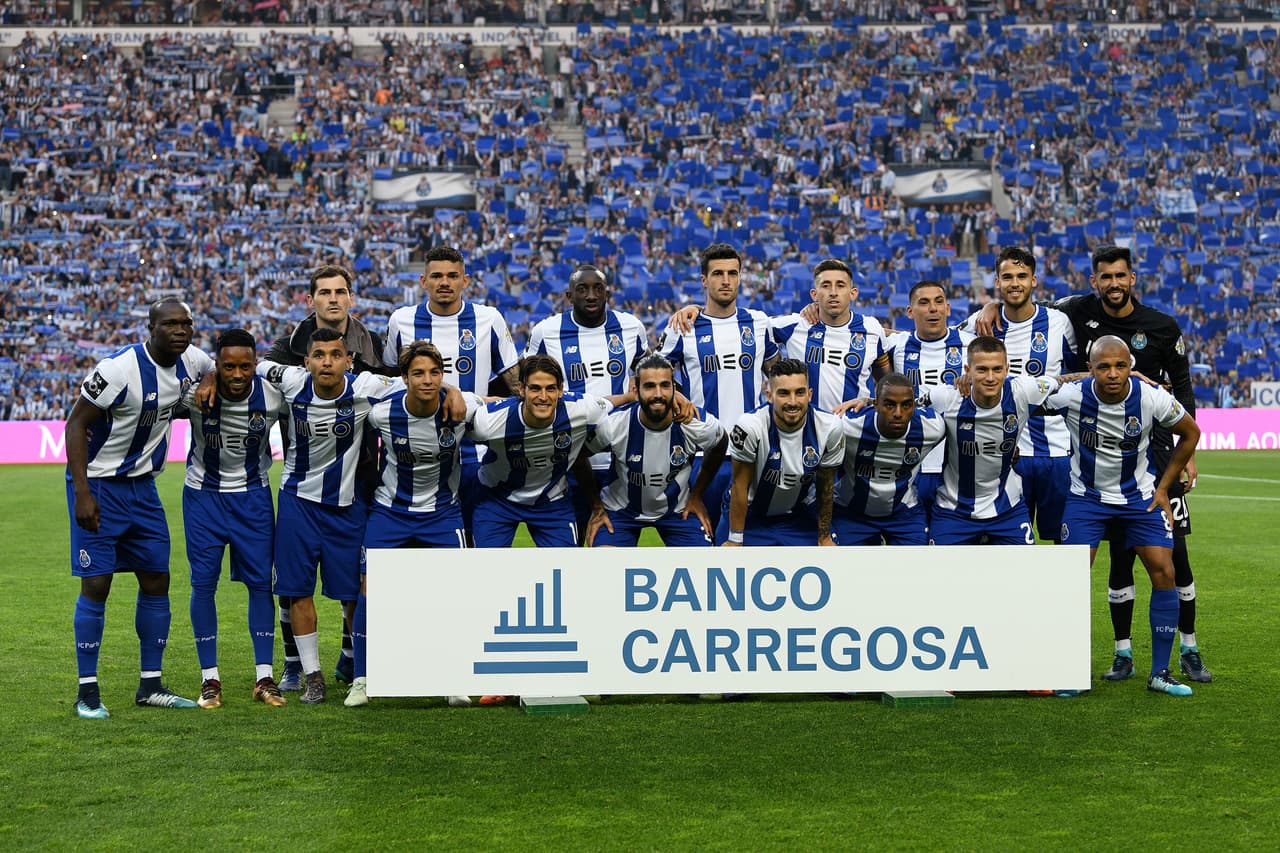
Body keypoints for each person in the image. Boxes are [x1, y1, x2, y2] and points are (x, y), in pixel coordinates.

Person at [974, 245, 1210, 682]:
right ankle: (1113, 655)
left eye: (1121, 276)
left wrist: (1185, 460)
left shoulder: (1161, 327)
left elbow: (1183, 389)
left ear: (1132, 278)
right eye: (1106, 277)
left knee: (1174, 557)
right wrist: (993, 303)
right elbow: (1022, 301)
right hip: (1087, 470)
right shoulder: (1074, 315)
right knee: (1111, 563)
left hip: (1154, 456)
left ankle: (1186, 651)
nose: (1114, 284)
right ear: (1094, 281)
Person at [65, 298, 213, 719]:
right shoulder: (118, 369)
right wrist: (82, 492)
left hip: (143, 489)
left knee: (156, 578)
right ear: (150, 326)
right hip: (99, 484)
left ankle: (151, 685)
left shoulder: (193, 361)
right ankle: (87, 692)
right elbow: (75, 425)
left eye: (186, 323)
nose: (180, 330)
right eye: (170, 324)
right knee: (97, 585)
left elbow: (213, 367)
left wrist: (213, 379)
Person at [1046, 335, 1201, 696]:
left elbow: (1191, 433)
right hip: (1086, 498)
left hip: (1140, 499)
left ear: (1131, 366)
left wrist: (1163, 488)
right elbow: (1021, 398)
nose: (1112, 373)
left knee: (1165, 572)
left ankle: (1160, 673)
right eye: (1103, 366)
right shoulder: (1073, 395)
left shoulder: (1150, 397)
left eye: (1120, 365)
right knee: (1068, 579)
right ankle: (1068, 670)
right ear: (1091, 369)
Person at [259, 328, 400, 704]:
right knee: (297, 591)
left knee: (352, 594)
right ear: (306, 362)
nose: (326, 362)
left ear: (347, 360)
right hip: (297, 503)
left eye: (335, 355)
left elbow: (415, 384)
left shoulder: (365, 387)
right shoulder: (290, 381)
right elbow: (256, 367)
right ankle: (313, 676)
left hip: (347, 506)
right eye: (318, 355)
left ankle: (361, 671)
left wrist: (451, 393)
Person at [345, 340, 480, 708]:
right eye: (418, 373)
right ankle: (362, 679)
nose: (427, 380)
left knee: (454, 594)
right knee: (369, 591)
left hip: (443, 514)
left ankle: (454, 678)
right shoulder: (381, 412)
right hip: (390, 512)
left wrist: (454, 391)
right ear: (404, 378)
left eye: (435, 373)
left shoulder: (462, 408)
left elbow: (504, 407)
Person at [382, 245, 521, 538]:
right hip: (419, 449)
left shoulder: (489, 319)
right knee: (419, 544)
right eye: (436, 276)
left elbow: (515, 382)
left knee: (470, 540)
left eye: (452, 276)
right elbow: (393, 380)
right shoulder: (401, 321)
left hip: (475, 450)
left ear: (465, 281)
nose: (444, 282)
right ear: (424, 282)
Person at [181, 328, 288, 709]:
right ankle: (210, 679)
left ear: (256, 363)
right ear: (217, 365)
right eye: (228, 367)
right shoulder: (193, 396)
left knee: (261, 586)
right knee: (202, 585)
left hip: (253, 500)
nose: (238, 374)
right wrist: (206, 377)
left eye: (245, 365)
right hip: (202, 499)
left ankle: (264, 677)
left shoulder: (274, 396)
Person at [958, 247, 1076, 542]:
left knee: (1063, 543)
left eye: (1022, 276)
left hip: (1057, 451)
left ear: (1034, 280)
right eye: (1007, 277)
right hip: (1005, 453)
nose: (1015, 283)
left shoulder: (1059, 323)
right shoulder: (979, 324)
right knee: (1006, 543)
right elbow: (934, 341)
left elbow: (1078, 374)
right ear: (996, 282)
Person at [658, 243, 778, 530]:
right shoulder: (681, 328)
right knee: (705, 540)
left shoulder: (759, 323)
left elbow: (778, 372)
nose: (726, 280)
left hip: (753, 452)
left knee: (748, 541)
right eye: (718, 273)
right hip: (701, 454)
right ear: (704, 279)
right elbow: (650, 378)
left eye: (732, 273)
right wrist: (677, 398)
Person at [526, 263, 648, 536]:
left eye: (598, 289)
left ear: (608, 294)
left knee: (609, 545)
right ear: (569, 297)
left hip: (620, 460)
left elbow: (647, 375)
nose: (591, 295)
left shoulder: (631, 328)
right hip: (566, 461)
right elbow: (526, 387)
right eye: (582, 289)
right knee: (568, 546)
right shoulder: (546, 332)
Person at [921, 337, 1072, 545]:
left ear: (1007, 369)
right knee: (941, 575)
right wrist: (867, 402)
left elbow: (1065, 381)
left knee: (1028, 574)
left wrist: (1119, 376)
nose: (990, 377)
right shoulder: (946, 397)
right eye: (982, 370)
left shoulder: (1023, 391)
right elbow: (901, 407)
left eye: (997, 369)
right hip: (953, 511)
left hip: (1007, 509)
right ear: (968, 369)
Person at [466, 354, 611, 549]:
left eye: (550, 388)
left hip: (551, 500)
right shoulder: (488, 422)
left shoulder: (583, 410)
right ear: (521, 390)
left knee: (565, 572)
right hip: (496, 498)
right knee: (488, 573)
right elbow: (456, 410)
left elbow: (612, 403)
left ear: (560, 390)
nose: (543, 397)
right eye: (535, 388)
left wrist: (631, 396)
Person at [583, 354, 727, 547]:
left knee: (701, 568)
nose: (658, 393)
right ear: (636, 390)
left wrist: (697, 495)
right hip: (619, 512)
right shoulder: (614, 425)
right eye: (649, 386)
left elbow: (720, 442)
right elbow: (578, 455)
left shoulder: (694, 423)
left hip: (678, 511)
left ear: (674, 389)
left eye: (665, 385)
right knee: (606, 567)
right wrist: (596, 505)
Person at [721, 359, 844, 547]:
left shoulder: (830, 428)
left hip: (799, 515)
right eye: (784, 393)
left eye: (800, 393)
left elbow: (825, 487)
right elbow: (739, 486)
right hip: (749, 515)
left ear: (810, 395)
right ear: (769, 395)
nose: (793, 402)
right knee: (728, 567)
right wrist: (735, 539)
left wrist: (824, 536)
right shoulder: (749, 426)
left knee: (832, 564)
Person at [885, 279, 975, 515]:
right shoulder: (895, 345)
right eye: (923, 303)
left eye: (938, 302)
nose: (932, 309)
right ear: (910, 311)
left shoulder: (972, 347)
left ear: (948, 308)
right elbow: (861, 330)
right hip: (914, 464)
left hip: (960, 462)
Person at [833, 372, 946, 545]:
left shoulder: (932, 428)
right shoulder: (847, 426)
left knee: (920, 568)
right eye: (890, 405)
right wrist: (866, 400)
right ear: (876, 405)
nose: (898, 413)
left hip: (904, 515)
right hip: (851, 513)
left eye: (907, 405)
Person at [772, 257, 892, 411]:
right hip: (810, 428)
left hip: (856, 427)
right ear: (814, 294)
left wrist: (869, 401)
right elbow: (755, 325)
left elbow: (887, 384)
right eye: (826, 286)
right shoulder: (795, 325)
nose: (833, 292)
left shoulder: (872, 329)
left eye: (840, 285)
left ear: (853, 293)